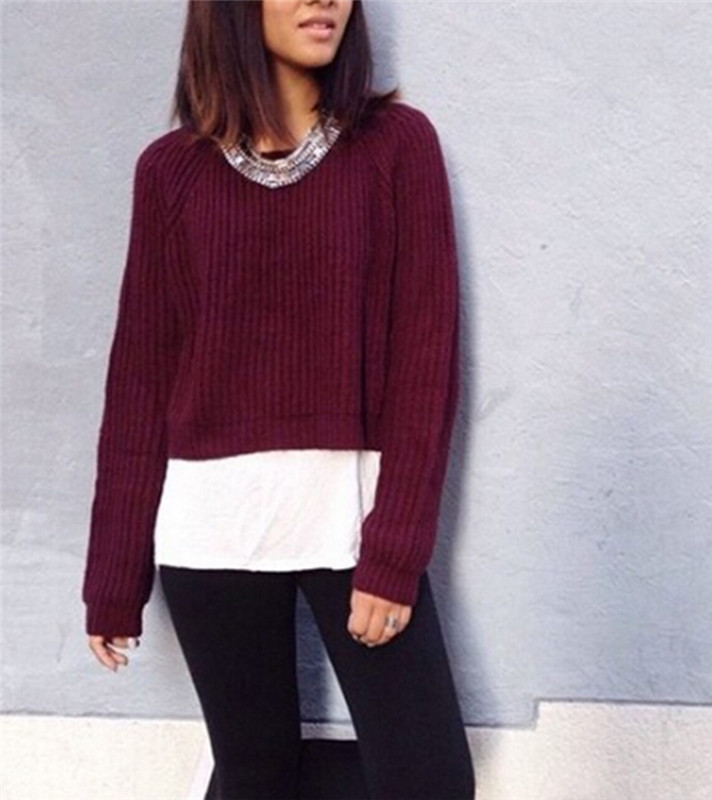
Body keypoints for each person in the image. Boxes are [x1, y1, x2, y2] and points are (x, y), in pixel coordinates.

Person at [81, 1, 474, 798]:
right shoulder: (170, 172)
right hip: (211, 520)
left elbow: (425, 359)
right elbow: (141, 377)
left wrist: (396, 546)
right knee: (256, 775)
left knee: (428, 780)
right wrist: (114, 575)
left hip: (350, 512)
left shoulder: (396, 147)